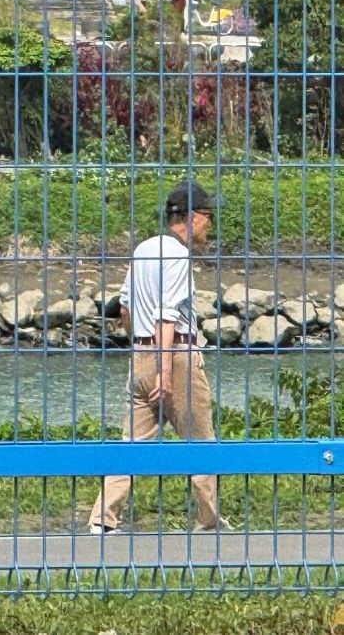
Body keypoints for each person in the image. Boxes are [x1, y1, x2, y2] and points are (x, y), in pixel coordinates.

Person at [86, 180, 226, 535]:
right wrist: (164, 372)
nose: (210, 224)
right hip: (174, 354)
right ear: (192, 218)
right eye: (208, 216)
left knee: (130, 445)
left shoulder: (144, 248)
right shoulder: (178, 256)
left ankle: (102, 519)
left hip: (141, 354)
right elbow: (167, 315)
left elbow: (125, 308)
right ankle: (208, 522)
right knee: (201, 443)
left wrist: (143, 349)